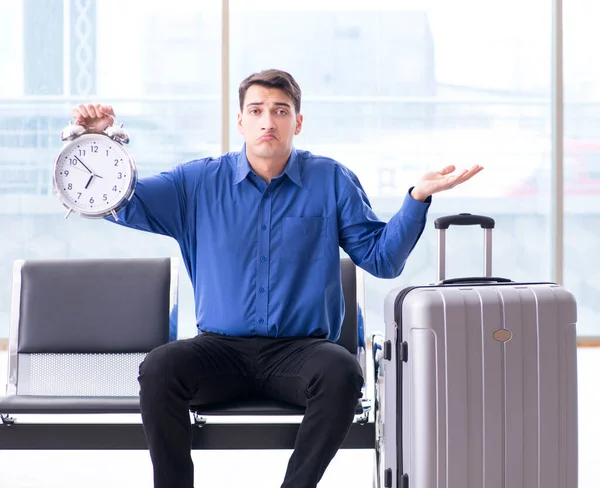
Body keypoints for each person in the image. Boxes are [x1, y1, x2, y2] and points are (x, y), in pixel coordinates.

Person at [71, 69, 482, 488]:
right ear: (241, 121)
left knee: (342, 372)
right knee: (160, 367)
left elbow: (381, 259)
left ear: (297, 122)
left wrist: (416, 199)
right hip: (220, 352)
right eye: (257, 110)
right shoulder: (196, 183)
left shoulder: (331, 180)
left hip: (300, 354)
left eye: (280, 110)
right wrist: (98, 142)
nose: (268, 120)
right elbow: (121, 199)